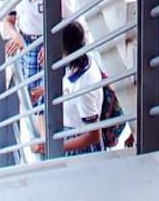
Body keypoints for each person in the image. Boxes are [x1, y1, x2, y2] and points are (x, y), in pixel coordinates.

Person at [31, 20, 104, 157]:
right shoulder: (80, 61)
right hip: (66, 133)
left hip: (77, 148)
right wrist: (42, 90)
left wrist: (53, 147)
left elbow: (93, 135)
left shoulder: (83, 88)